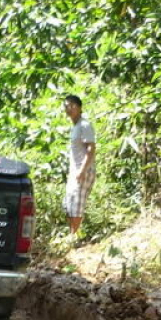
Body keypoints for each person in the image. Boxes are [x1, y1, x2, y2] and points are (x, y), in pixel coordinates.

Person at [61, 94, 96, 236]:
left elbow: (91, 148)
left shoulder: (84, 125)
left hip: (84, 170)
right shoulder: (75, 127)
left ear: (79, 107)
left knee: (76, 205)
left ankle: (73, 237)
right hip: (75, 171)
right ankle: (73, 235)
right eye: (66, 106)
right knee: (68, 204)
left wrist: (82, 170)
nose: (68, 108)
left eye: (72, 105)